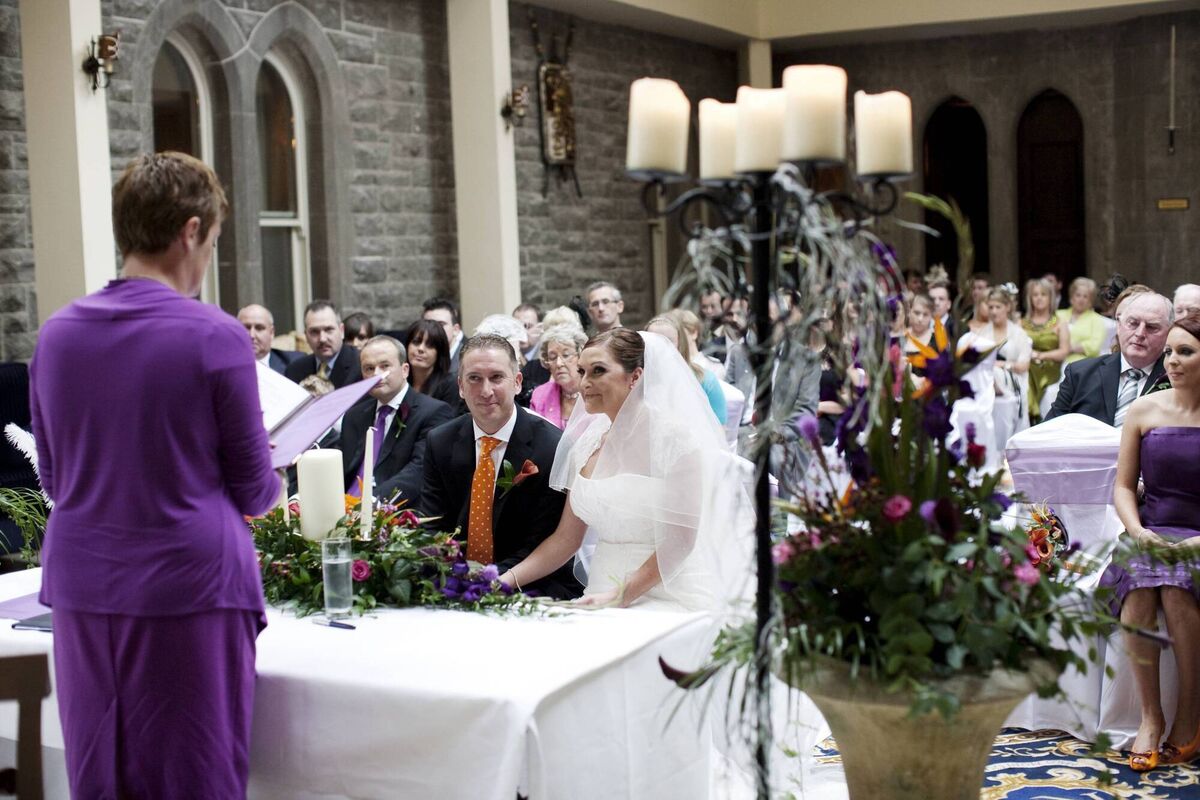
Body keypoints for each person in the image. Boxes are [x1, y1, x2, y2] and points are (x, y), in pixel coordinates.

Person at [29, 152, 280, 798]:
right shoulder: (215, 336)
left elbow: (54, 477)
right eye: (214, 242)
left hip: (86, 582)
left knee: (101, 768)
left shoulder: (56, 335)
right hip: (188, 583)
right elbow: (255, 486)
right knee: (192, 771)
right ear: (191, 231)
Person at [498, 329, 749, 611]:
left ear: (636, 376)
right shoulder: (585, 445)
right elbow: (565, 540)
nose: (584, 383)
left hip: (669, 592)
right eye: (582, 371)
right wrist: (503, 581)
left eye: (598, 371)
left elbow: (680, 542)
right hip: (601, 589)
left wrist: (620, 596)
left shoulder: (675, 442)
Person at [1099, 314, 1200, 771]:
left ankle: (1189, 717)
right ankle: (1150, 718)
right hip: (1149, 529)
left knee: (1178, 590)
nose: (1173, 361)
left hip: (1197, 537)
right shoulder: (1144, 409)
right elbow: (1122, 487)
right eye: (1171, 352)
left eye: (1186, 352)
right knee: (1139, 583)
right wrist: (1137, 530)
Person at [418, 334, 581, 599]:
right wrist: (453, 575)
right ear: (460, 386)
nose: (485, 391)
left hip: (530, 584)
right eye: (474, 378)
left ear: (517, 382)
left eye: (496, 378)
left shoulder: (551, 447)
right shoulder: (441, 441)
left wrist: (486, 581)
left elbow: (541, 541)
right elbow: (433, 524)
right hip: (454, 581)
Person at [339, 336, 453, 502]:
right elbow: (340, 469)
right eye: (369, 368)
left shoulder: (434, 413)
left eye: (385, 366)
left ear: (405, 370)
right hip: (344, 509)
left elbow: (418, 472)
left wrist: (370, 503)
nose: (376, 374)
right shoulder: (354, 416)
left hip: (393, 511)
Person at [1046, 292, 1172, 426]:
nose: (1139, 333)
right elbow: (1047, 432)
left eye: (1152, 327)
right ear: (1119, 325)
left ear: (1170, 332)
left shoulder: (1177, 380)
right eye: (1133, 323)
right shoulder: (1079, 374)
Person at [646, 315, 727, 424]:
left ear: (681, 343)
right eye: (654, 340)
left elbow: (721, 432)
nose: (660, 347)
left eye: (668, 341)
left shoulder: (705, 380)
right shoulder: (636, 381)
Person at [982, 287, 1032, 446]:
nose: (994, 311)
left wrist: (1002, 365)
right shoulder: (982, 333)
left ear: (1007, 307)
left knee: (994, 371)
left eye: (998, 307)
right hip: (987, 380)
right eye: (991, 307)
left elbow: (1024, 365)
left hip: (1014, 380)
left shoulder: (1018, 333)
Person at [1022, 278, 1071, 422]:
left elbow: (1064, 351)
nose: (1039, 298)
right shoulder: (1021, 322)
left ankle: (1033, 415)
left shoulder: (1060, 323)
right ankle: (1032, 415)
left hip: (1050, 365)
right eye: (1035, 295)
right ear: (1030, 298)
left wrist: (1041, 355)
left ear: (1051, 298)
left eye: (1043, 294)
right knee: (1027, 370)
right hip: (1027, 364)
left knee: (1030, 370)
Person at [285, 301, 361, 389]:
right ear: (306, 335)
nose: (322, 339)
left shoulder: (360, 365)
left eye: (328, 329)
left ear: (341, 331)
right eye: (314, 332)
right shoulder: (294, 371)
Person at [529, 326, 587, 428]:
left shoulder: (595, 391)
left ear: (581, 356)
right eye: (552, 357)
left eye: (566, 355)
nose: (558, 363)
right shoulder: (540, 395)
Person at [405, 318, 462, 413]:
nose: (421, 349)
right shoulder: (400, 381)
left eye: (429, 345)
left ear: (439, 352)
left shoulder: (450, 385)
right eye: (416, 342)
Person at [237, 303, 300, 374]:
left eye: (259, 328)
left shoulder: (294, 362)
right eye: (246, 328)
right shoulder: (225, 365)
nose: (252, 335)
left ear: (271, 333)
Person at [1057, 277, 1107, 366]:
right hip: (1055, 363)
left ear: (1091, 301)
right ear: (1072, 297)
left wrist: (1070, 348)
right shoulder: (1058, 315)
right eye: (1078, 295)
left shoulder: (1096, 319)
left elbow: (1094, 346)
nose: (1081, 299)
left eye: (1085, 296)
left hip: (1083, 365)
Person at [422, 297, 464, 374]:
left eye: (441, 324)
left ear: (456, 330)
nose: (434, 329)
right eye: (429, 324)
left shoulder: (466, 361)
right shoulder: (421, 359)